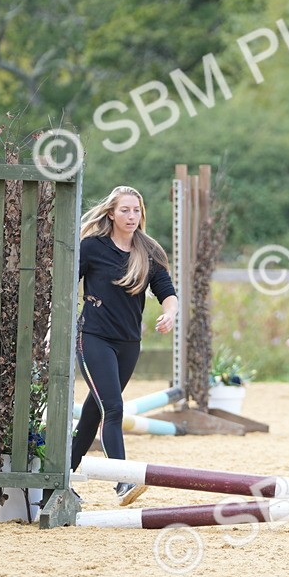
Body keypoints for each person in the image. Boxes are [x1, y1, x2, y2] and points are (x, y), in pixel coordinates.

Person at [71, 185, 178, 506]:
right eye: (125, 211)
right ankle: (123, 482)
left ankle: (57, 479)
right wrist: (51, 326)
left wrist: (170, 313)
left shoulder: (150, 251)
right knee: (113, 408)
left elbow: (166, 291)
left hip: (129, 343)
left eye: (136, 211)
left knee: (92, 414)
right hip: (93, 337)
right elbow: (63, 285)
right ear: (111, 214)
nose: (131, 217)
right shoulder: (91, 247)